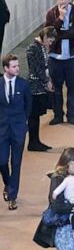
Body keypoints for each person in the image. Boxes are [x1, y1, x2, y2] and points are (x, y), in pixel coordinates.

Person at [45, 0, 74, 125]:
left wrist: (61, 34)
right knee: (56, 88)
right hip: (56, 57)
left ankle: (71, 114)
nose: (64, 1)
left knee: (72, 87)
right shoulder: (51, 13)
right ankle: (58, 115)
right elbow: (50, 33)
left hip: (72, 57)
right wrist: (60, 19)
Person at [1, 54, 30, 210]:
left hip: (18, 130)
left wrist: (22, 123)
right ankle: (8, 183)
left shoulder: (23, 85)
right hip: (2, 130)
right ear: (6, 68)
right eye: (14, 66)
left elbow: (28, 106)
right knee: (2, 161)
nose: (17, 68)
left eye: (18, 66)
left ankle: (13, 196)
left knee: (16, 163)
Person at [26, 28, 55, 152]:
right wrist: (46, 81)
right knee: (33, 115)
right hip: (34, 86)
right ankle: (33, 142)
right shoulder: (32, 49)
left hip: (40, 84)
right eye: (50, 40)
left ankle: (36, 141)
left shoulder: (42, 47)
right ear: (44, 36)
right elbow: (36, 69)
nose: (50, 43)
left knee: (36, 115)